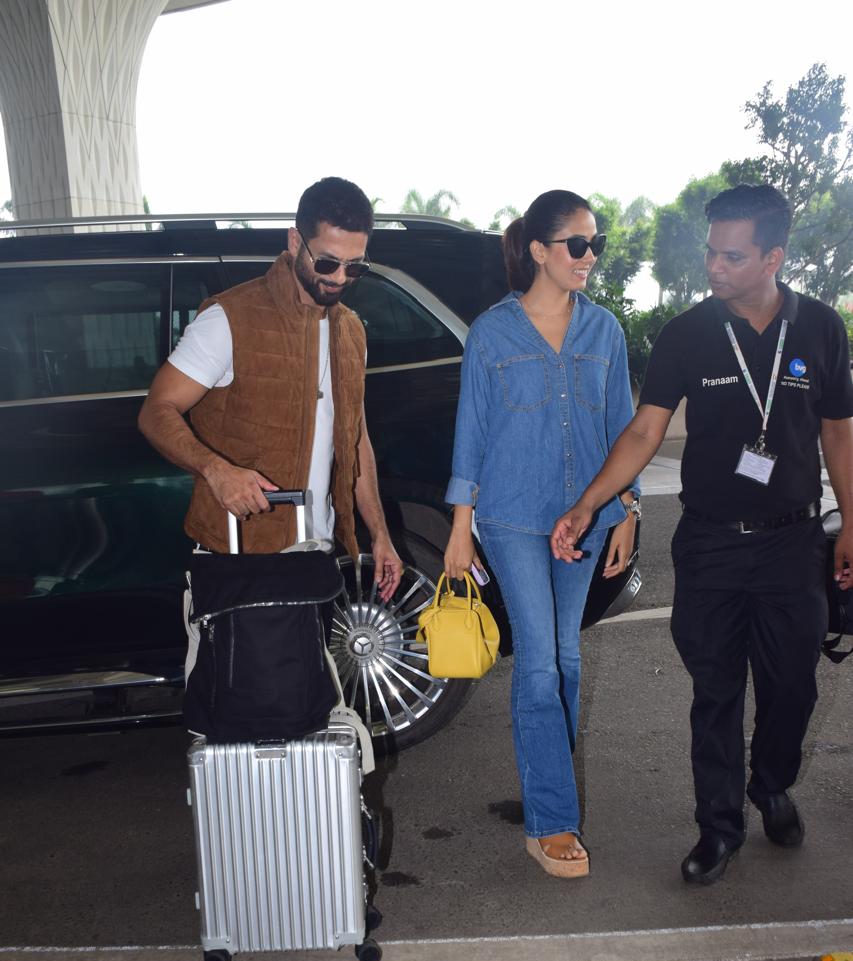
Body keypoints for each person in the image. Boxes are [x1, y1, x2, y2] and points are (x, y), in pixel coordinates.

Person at [551, 183, 853, 886]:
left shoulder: (819, 329)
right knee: (714, 691)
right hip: (710, 543)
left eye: (733, 255)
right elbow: (644, 429)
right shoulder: (688, 333)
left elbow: (838, 430)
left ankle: (770, 782)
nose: (714, 267)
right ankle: (717, 826)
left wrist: (851, 524)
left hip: (790, 542)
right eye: (711, 252)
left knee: (791, 689)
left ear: (773, 256)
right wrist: (588, 503)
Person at [443, 189, 639, 879]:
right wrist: (458, 529)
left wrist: (627, 509)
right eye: (576, 245)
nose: (589, 257)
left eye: (595, 245)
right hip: (511, 515)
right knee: (539, 664)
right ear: (537, 250)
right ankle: (551, 821)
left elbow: (624, 430)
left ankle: (544, 792)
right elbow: (470, 434)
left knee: (567, 659)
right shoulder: (492, 333)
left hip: (585, 514)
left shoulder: (604, 332)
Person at [138, 175, 402, 609]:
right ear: (296, 241)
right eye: (327, 263)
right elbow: (156, 410)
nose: (340, 278)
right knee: (241, 677)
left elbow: (355, 441)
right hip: (240, 556)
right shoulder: (230, 319)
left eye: (354, 267)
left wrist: (380, 535)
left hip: (317, 557)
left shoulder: (351, 330)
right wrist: (217, 470)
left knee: (312, 677)